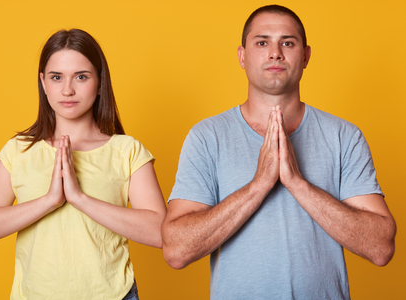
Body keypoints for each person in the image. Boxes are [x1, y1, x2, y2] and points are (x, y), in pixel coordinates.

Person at [162, 5, 396, 299]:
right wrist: (258, 185)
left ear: (306, 55)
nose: (275, 53)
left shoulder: (344, 136)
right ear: (242, 57)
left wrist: (298, 184)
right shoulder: (207, 137)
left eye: (288, 42)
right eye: (262, 42)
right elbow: (176, 250)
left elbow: (381, 247)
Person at [0, 29, 166, 300]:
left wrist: (79, 198)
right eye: (56, 77)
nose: (68, 89)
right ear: (43, 83)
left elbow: (160, 233)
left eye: (81, 77)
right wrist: (49, 200)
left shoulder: (127, 150)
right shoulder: (19, 150)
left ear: (100, 82)